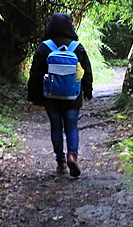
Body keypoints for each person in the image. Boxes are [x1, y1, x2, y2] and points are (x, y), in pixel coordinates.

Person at [27, 13, 93, 177]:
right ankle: (72, 155)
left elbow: (35, 73)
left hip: (50, 96)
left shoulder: (44, 47)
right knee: (71, 127)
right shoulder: (77, 47)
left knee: (56, 128)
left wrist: (33, 95)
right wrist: (88, 90)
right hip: (73, 96)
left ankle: (61, 162)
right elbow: (86, 71)